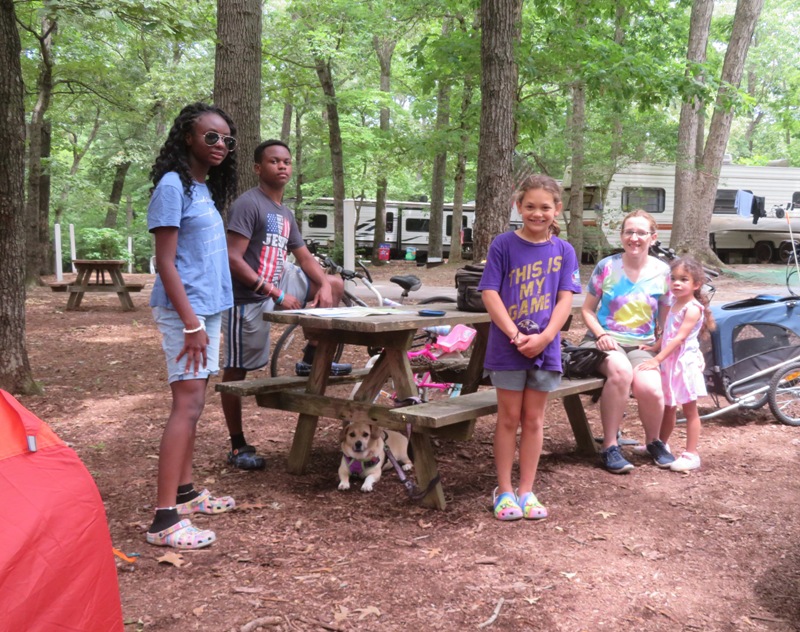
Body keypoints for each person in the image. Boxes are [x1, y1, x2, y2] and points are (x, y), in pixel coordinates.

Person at [220, 139, 349, 470]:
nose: (282, 166)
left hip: (277, 283)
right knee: (238, 370)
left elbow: (303, 257)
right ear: (258, 168)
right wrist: (274, 293)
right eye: (274, 161)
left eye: (287, 161)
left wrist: (321, 284)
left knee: (333, 283)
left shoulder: (284, 212)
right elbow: (233, 258)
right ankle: (237, 445)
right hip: (246, 297)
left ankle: (310, 358)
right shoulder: (248, 205)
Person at [145, 102, 238, 549]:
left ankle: (185, 494)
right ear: (187, 137)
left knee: (195, 403)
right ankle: (165, 520)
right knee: (185, 405)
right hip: (188, 313)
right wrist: (189, 323)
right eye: (211, 137)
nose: (220, 145)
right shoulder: (171, 186)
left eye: (226, 140)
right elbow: (165, 263)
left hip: (209, 309)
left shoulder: (201, 188)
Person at [478, 175, 581, 521]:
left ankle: (526, 490)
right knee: (508, 419)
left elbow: (566, 298)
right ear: (518, 206)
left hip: (546, 349)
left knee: (534, 421)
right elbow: (489, 292)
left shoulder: (564, 251)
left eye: (545, 207)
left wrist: (546, 337)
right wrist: (514, 334)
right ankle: (504, 491)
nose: (538, 214)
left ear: (557, 210)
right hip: (507, 348)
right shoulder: (503, 245)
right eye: (530, 206)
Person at [580, 209, 674, 474]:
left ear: (653, 238)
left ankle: (654, 442)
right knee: (620, 371)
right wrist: (601, 334)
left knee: (650, 386)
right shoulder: (607, 267)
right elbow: (587, 310)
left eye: (641, 232)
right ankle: (610, 446)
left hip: (642, 345)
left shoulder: (662, 272)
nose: (635, 237)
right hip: (603, 342)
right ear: (621, 236)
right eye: (629, 232)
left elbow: (666, 316)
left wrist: (659, 346)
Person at [636, 257, 714, 472]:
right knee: (668, 407)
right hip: (671, 363)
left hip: (684, 365)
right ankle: (659, 444)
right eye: (674, 279)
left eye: (684, 279)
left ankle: (691, 454)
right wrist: (654, 346)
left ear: (696, 284)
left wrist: (657, 359)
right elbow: (668, 332)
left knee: (689, 410)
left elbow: (679, 338)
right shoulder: (674, 303)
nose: (677, 283)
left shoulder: (693, 308)